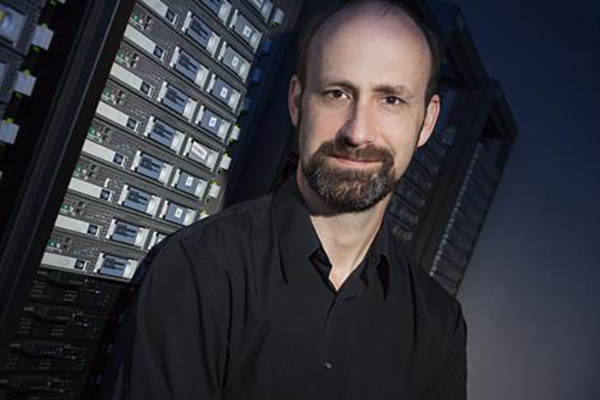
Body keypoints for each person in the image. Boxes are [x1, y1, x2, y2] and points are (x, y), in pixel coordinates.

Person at [101, 1, 467, 399]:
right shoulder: (202, 268)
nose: (358, 132)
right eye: (337, 92)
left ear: (427, 121)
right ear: (297, 102)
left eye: (390, 100)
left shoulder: (438, 326)